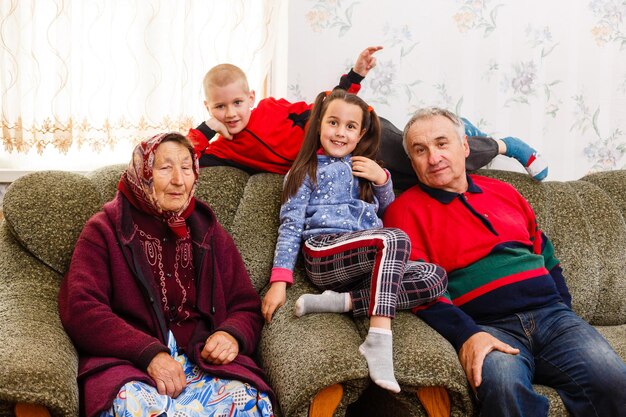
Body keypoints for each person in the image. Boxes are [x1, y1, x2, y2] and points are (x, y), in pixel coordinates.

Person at [383, 107, 626, 416]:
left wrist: (563, 310)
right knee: (503, 388)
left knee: (614, 381)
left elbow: (546, 255)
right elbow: (419, 289)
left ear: (465, 147)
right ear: (412, 160)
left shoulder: (504, 191)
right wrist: (467, 335)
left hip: (553, 317)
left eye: (442, 143)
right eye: (420, 150)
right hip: (488, 327)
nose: (433, 157)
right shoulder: (403, 211)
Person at [58, 133, 274, 417]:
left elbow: (244, 304)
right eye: (165, 168)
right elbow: (81, 309)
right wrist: (148, 351)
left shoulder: (207, 229)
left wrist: (231, 335)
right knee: (132, 407)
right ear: (142, 173)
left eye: (186, 168)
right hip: (131, 365)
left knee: (252, 402)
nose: (179, 180)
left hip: (202, 358)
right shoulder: (105, 230)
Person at [261, 89, 448, 394]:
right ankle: (379, 337)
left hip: (364, 261)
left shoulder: (366, 169)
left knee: (435, 277)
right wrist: (279, 280)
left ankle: (341, 302)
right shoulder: (305, 171)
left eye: (350, 127)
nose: (340, 133)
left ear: (361, 133)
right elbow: (290, 225)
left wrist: (382, 180)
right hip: (323, 253)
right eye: (333, 123)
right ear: (319, 124)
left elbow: (390, 212)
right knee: (395, 239)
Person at [188, 47, 548, 190]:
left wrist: (354, 76)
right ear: (209, 108)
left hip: (362, 134)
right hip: (346, 159)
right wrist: (208, 131)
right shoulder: (225, 150)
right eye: (220, 108)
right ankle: (457, 127)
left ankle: (503, 144)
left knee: (429, 160)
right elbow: (182, 156)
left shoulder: (273, 109)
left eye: (237, 102)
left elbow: (328, 106)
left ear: (251, 97)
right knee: (420, 184)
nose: (231, 113)